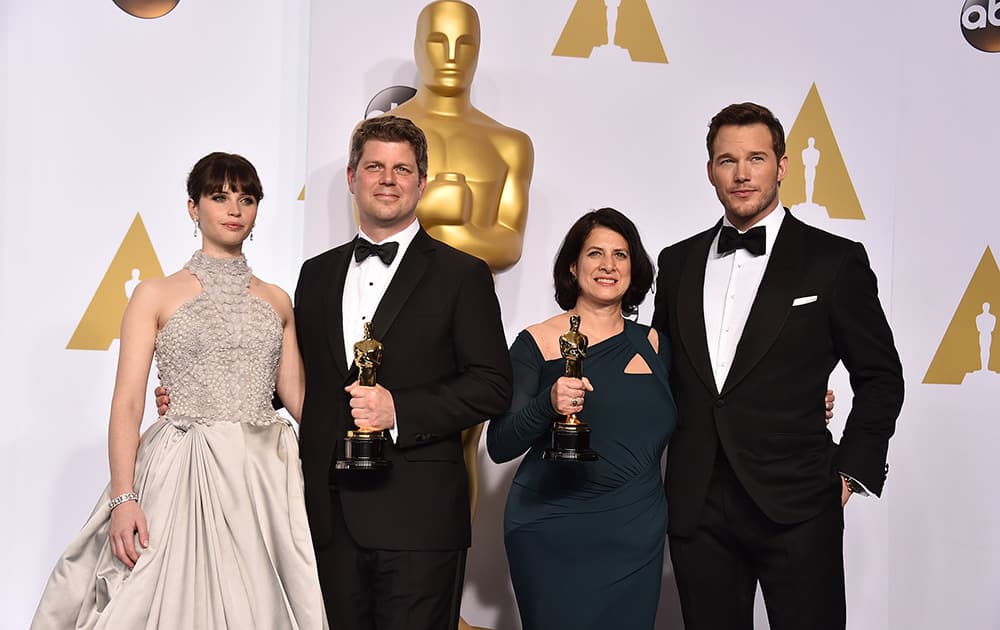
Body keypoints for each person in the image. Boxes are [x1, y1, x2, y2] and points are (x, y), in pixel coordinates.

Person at [31, 153, 327, 629]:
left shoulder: (277, 299)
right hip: (182, 469)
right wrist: (123, 498)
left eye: (246, 199)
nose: (234, 209)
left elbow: (301, 402)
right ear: (193, 208)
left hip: (263, 479)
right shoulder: (154, 293)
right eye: (219, 197)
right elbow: (127, 403)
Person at [652, 102, 904, 630]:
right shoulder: (676, 263)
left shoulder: (834, 260)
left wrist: (851, 471)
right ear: (709, 171)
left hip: (799, 502)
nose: (742, 174)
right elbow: (665, 372)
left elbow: (880, 376)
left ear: (783, 166)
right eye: (727, 161)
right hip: (698, 506)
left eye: (756, 158)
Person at [294, 115, 512, 630]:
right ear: (352, 177)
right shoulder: (315, 274)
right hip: (329, 518)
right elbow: (300, 381)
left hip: (420, 521)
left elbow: (494, 384)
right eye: (374, 166)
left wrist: (400, 409)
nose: (388, 179)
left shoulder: (463, 275)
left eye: (402, 168)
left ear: (422, 182)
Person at [487, 208, 677, 630]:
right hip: (553, 531)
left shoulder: (657, 344)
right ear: (573, 266)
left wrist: (802, 405)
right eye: (595, 253)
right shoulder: (535, 342)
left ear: (635, 267)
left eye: (620, 255)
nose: (608, 266)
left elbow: (713, 411)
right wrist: (547, 404)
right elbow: (499, 444)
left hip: (637, 534)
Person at [391, 0, 534, 273]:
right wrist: (430, 207)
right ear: (417, 47)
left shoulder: (510, 144)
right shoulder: (379, 134)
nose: (452, 55)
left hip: (475, 307)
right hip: (392, 304)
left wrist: (452, 232)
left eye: (465, 44)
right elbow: (370, 231)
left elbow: (510, 246)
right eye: (437, 42)